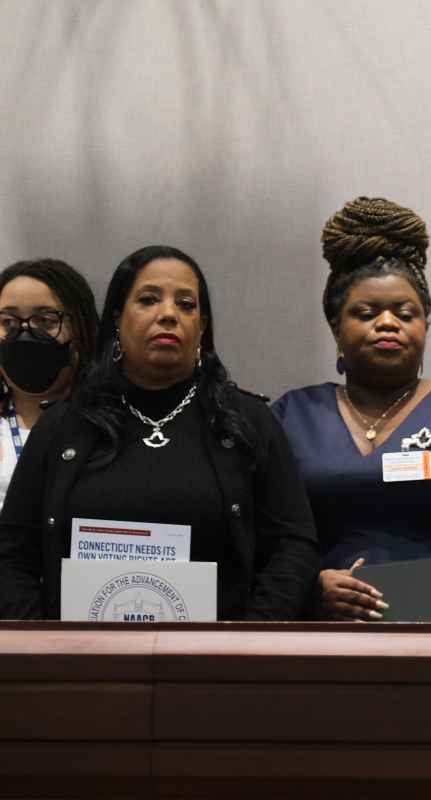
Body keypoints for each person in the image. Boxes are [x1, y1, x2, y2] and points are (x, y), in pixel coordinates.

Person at [0, 245, 318, 620]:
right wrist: (47, 645)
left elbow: (293, 545)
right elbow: (12, 552)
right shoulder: (63, 425)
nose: (168, 314)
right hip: (81, 662)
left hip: (221, 662)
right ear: (117, 317)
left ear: (201, 326)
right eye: (148, 300)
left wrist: (249, 639)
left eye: (186, 305)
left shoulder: (247, 421)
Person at [273, 197, 431, 623]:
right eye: (367, 312)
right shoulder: (291, 415)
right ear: (336, 329)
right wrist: (310, 586)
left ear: (425, 328)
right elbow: (264, 535)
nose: (388, 323)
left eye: (404, 312)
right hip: (321, 641)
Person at [0, 259, 99, 509]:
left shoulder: (107, 425)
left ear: (81, 330)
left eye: (45, 321)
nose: (24, 334)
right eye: (8, 323)